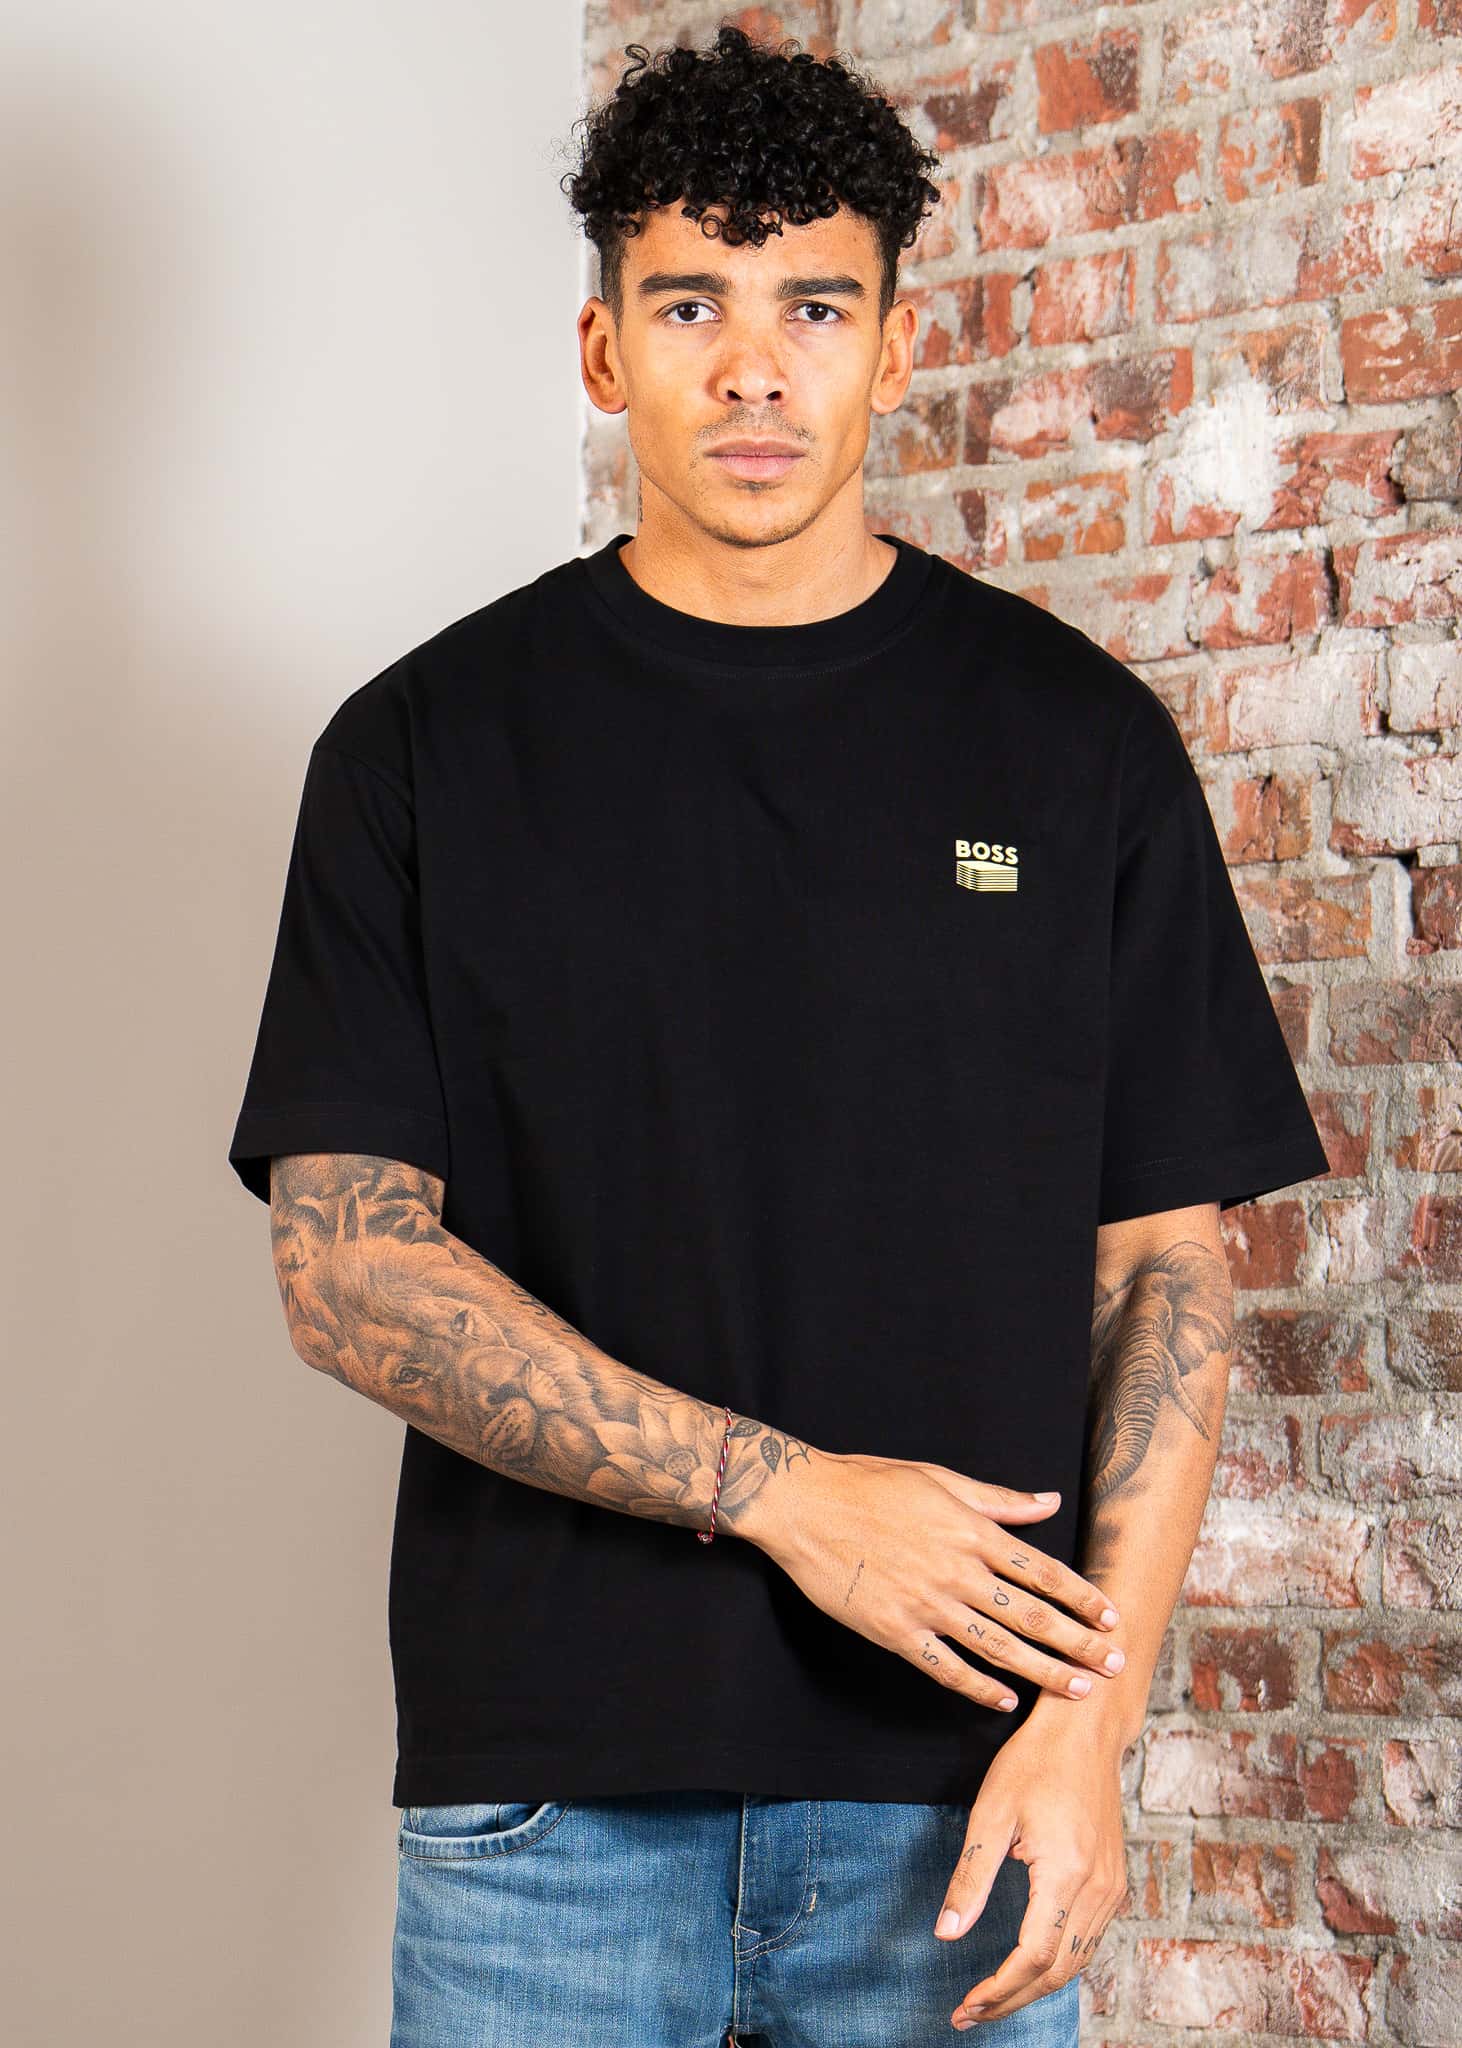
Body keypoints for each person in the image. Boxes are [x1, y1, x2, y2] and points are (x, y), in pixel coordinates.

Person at [227, 24, 1331, 2047]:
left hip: (962, 1804)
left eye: (812, 306)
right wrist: (786, 1495)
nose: (752, 368)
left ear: (896, 349)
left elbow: (1161, 1274)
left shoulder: (1074, 744)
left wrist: (1087, 1731)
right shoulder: (419, 750)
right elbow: (347, 1270)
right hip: (544, 1815)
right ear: (601, 351)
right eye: (690, 305)